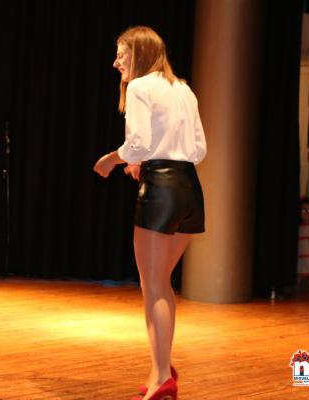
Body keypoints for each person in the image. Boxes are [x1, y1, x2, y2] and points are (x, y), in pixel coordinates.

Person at [93, 26, 206, 400]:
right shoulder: (183, 88)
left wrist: (113, 159)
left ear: (139, 53)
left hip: (161, 190)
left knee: (154, 286)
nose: (116, 62)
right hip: (190, 189)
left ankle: (162, 378)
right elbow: (199, 149)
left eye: (121, 54)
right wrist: (145, 159)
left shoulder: (141, 88)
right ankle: (161, 369)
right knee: (160, 284)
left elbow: (138, 141)